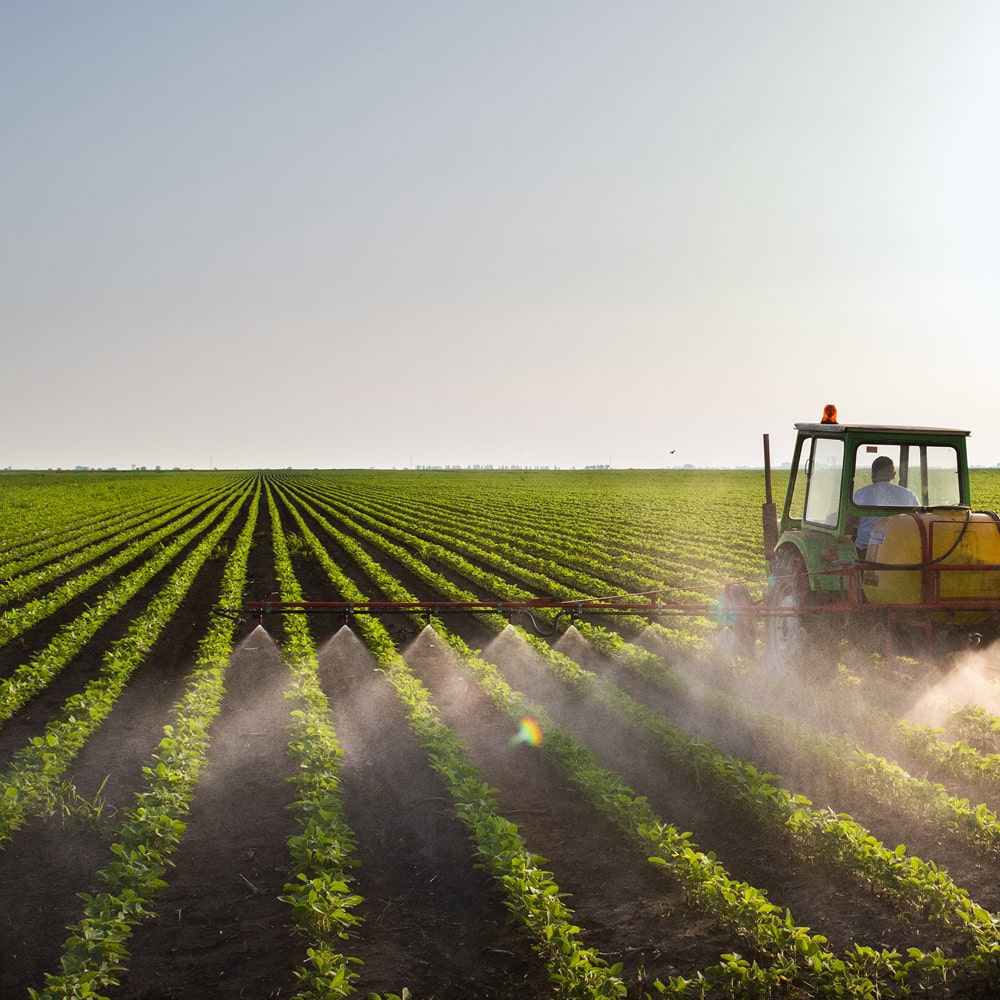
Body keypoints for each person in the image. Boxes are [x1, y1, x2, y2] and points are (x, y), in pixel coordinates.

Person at [853, 456, 919, 552]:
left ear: (873, 474)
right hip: (899, 549)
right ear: (893, 475)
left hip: (866, 548)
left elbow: (850, 522)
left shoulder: (860, 493)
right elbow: (916, 520)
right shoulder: (909, 495)